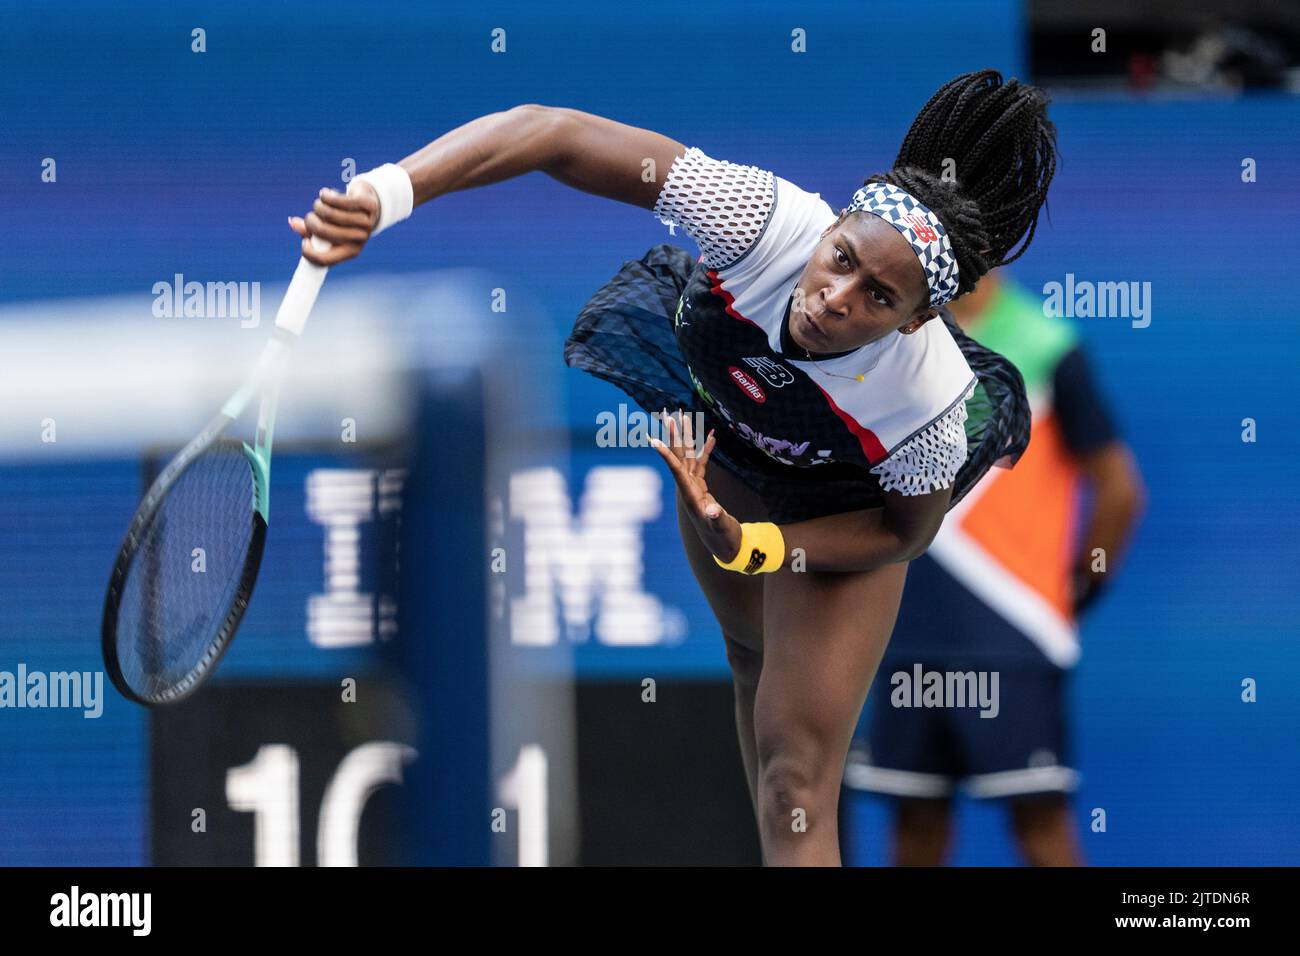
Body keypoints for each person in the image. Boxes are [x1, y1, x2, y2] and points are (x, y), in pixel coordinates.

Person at [288, 70, 1058, 865]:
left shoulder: (927, 400)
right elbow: (552, 132)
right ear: (833, 225)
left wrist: (762, 546)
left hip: (843, 502)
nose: (836, 298)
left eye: (877, 297)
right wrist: (386, 194)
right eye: (841, 260)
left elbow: (902, 533)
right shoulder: (760, 219)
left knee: (796, 781)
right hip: (727, 438)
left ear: (918, 319)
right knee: (751, 660)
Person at [842, 270, 1146, 866]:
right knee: (915, 829)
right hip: (902, 634)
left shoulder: (1046, 344)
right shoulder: (888, 343)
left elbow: (1119, 490)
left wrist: (1069, 595)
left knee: (1040, 824)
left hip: (1013, 636)